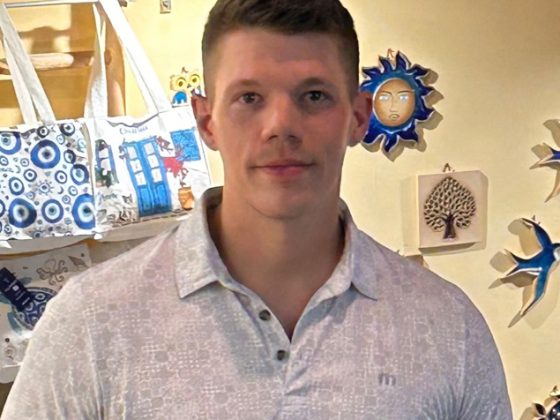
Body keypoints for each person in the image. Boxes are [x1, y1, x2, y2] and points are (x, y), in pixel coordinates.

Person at [2, 0, 513, 418]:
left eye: (314, 95)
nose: (280, 126)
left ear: (358, 118)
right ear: (206, 122)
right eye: (248, 98)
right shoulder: (91, 323)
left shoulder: (448, 330)